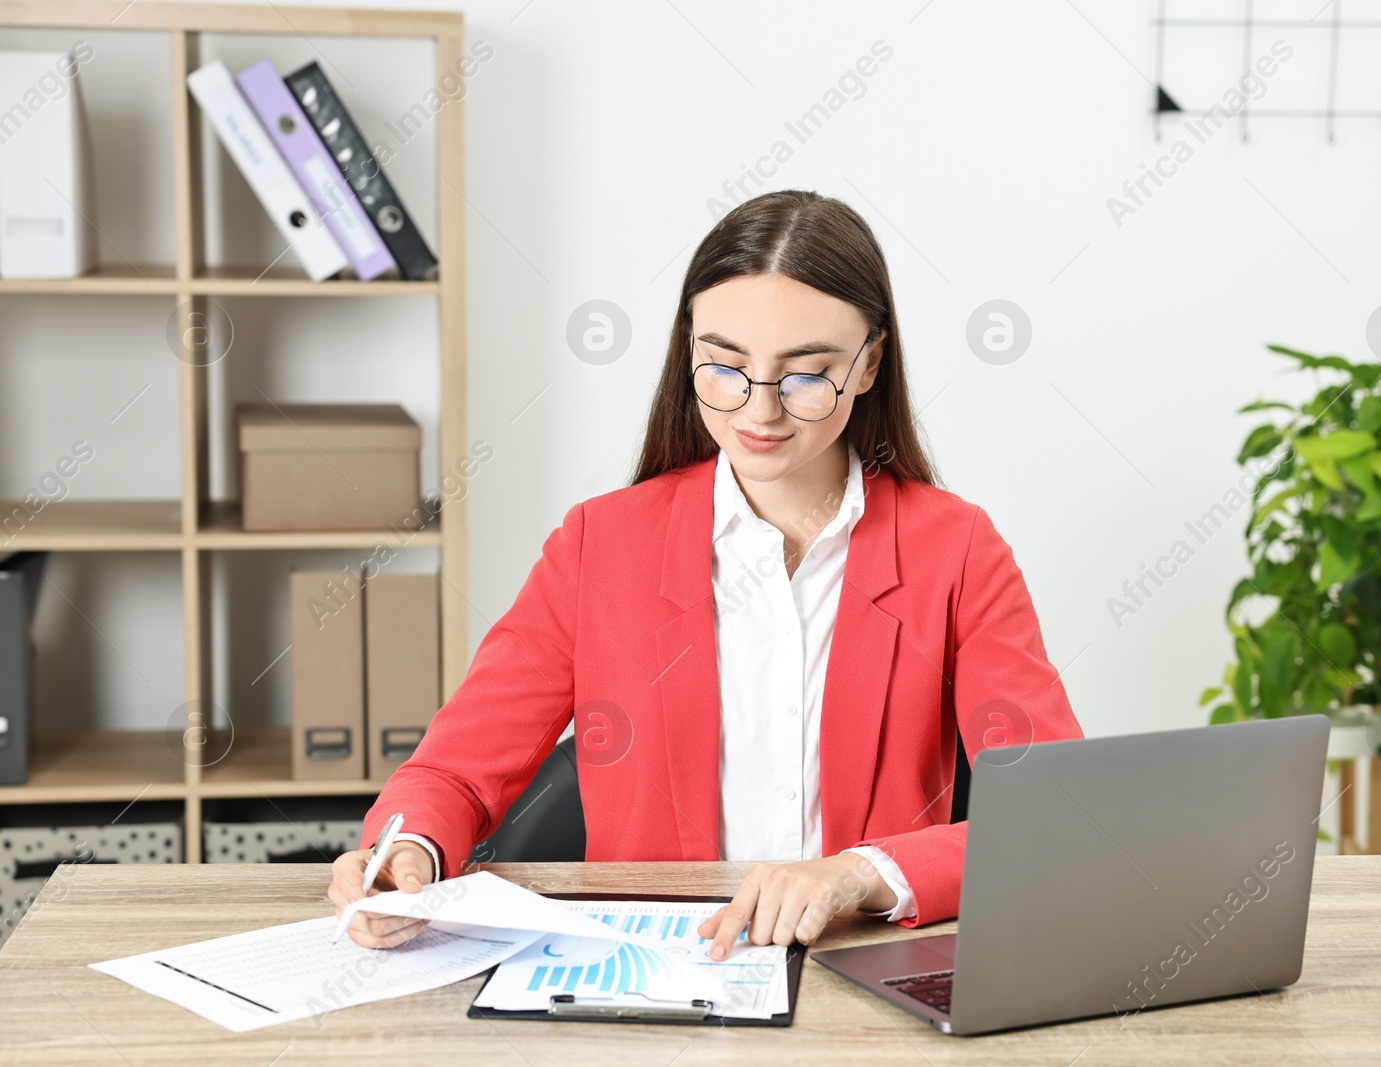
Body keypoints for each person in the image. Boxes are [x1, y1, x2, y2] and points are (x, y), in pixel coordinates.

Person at [326, 189, 1082, 959]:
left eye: (805, 375)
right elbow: (454, 773)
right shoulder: (600, 544)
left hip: (863, 970)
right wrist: (408, 852)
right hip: (653, 973)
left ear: (869, 364)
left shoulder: (956, 550)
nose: (759, 410)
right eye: (723, 366)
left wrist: (859, 872)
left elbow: (1054, 807)